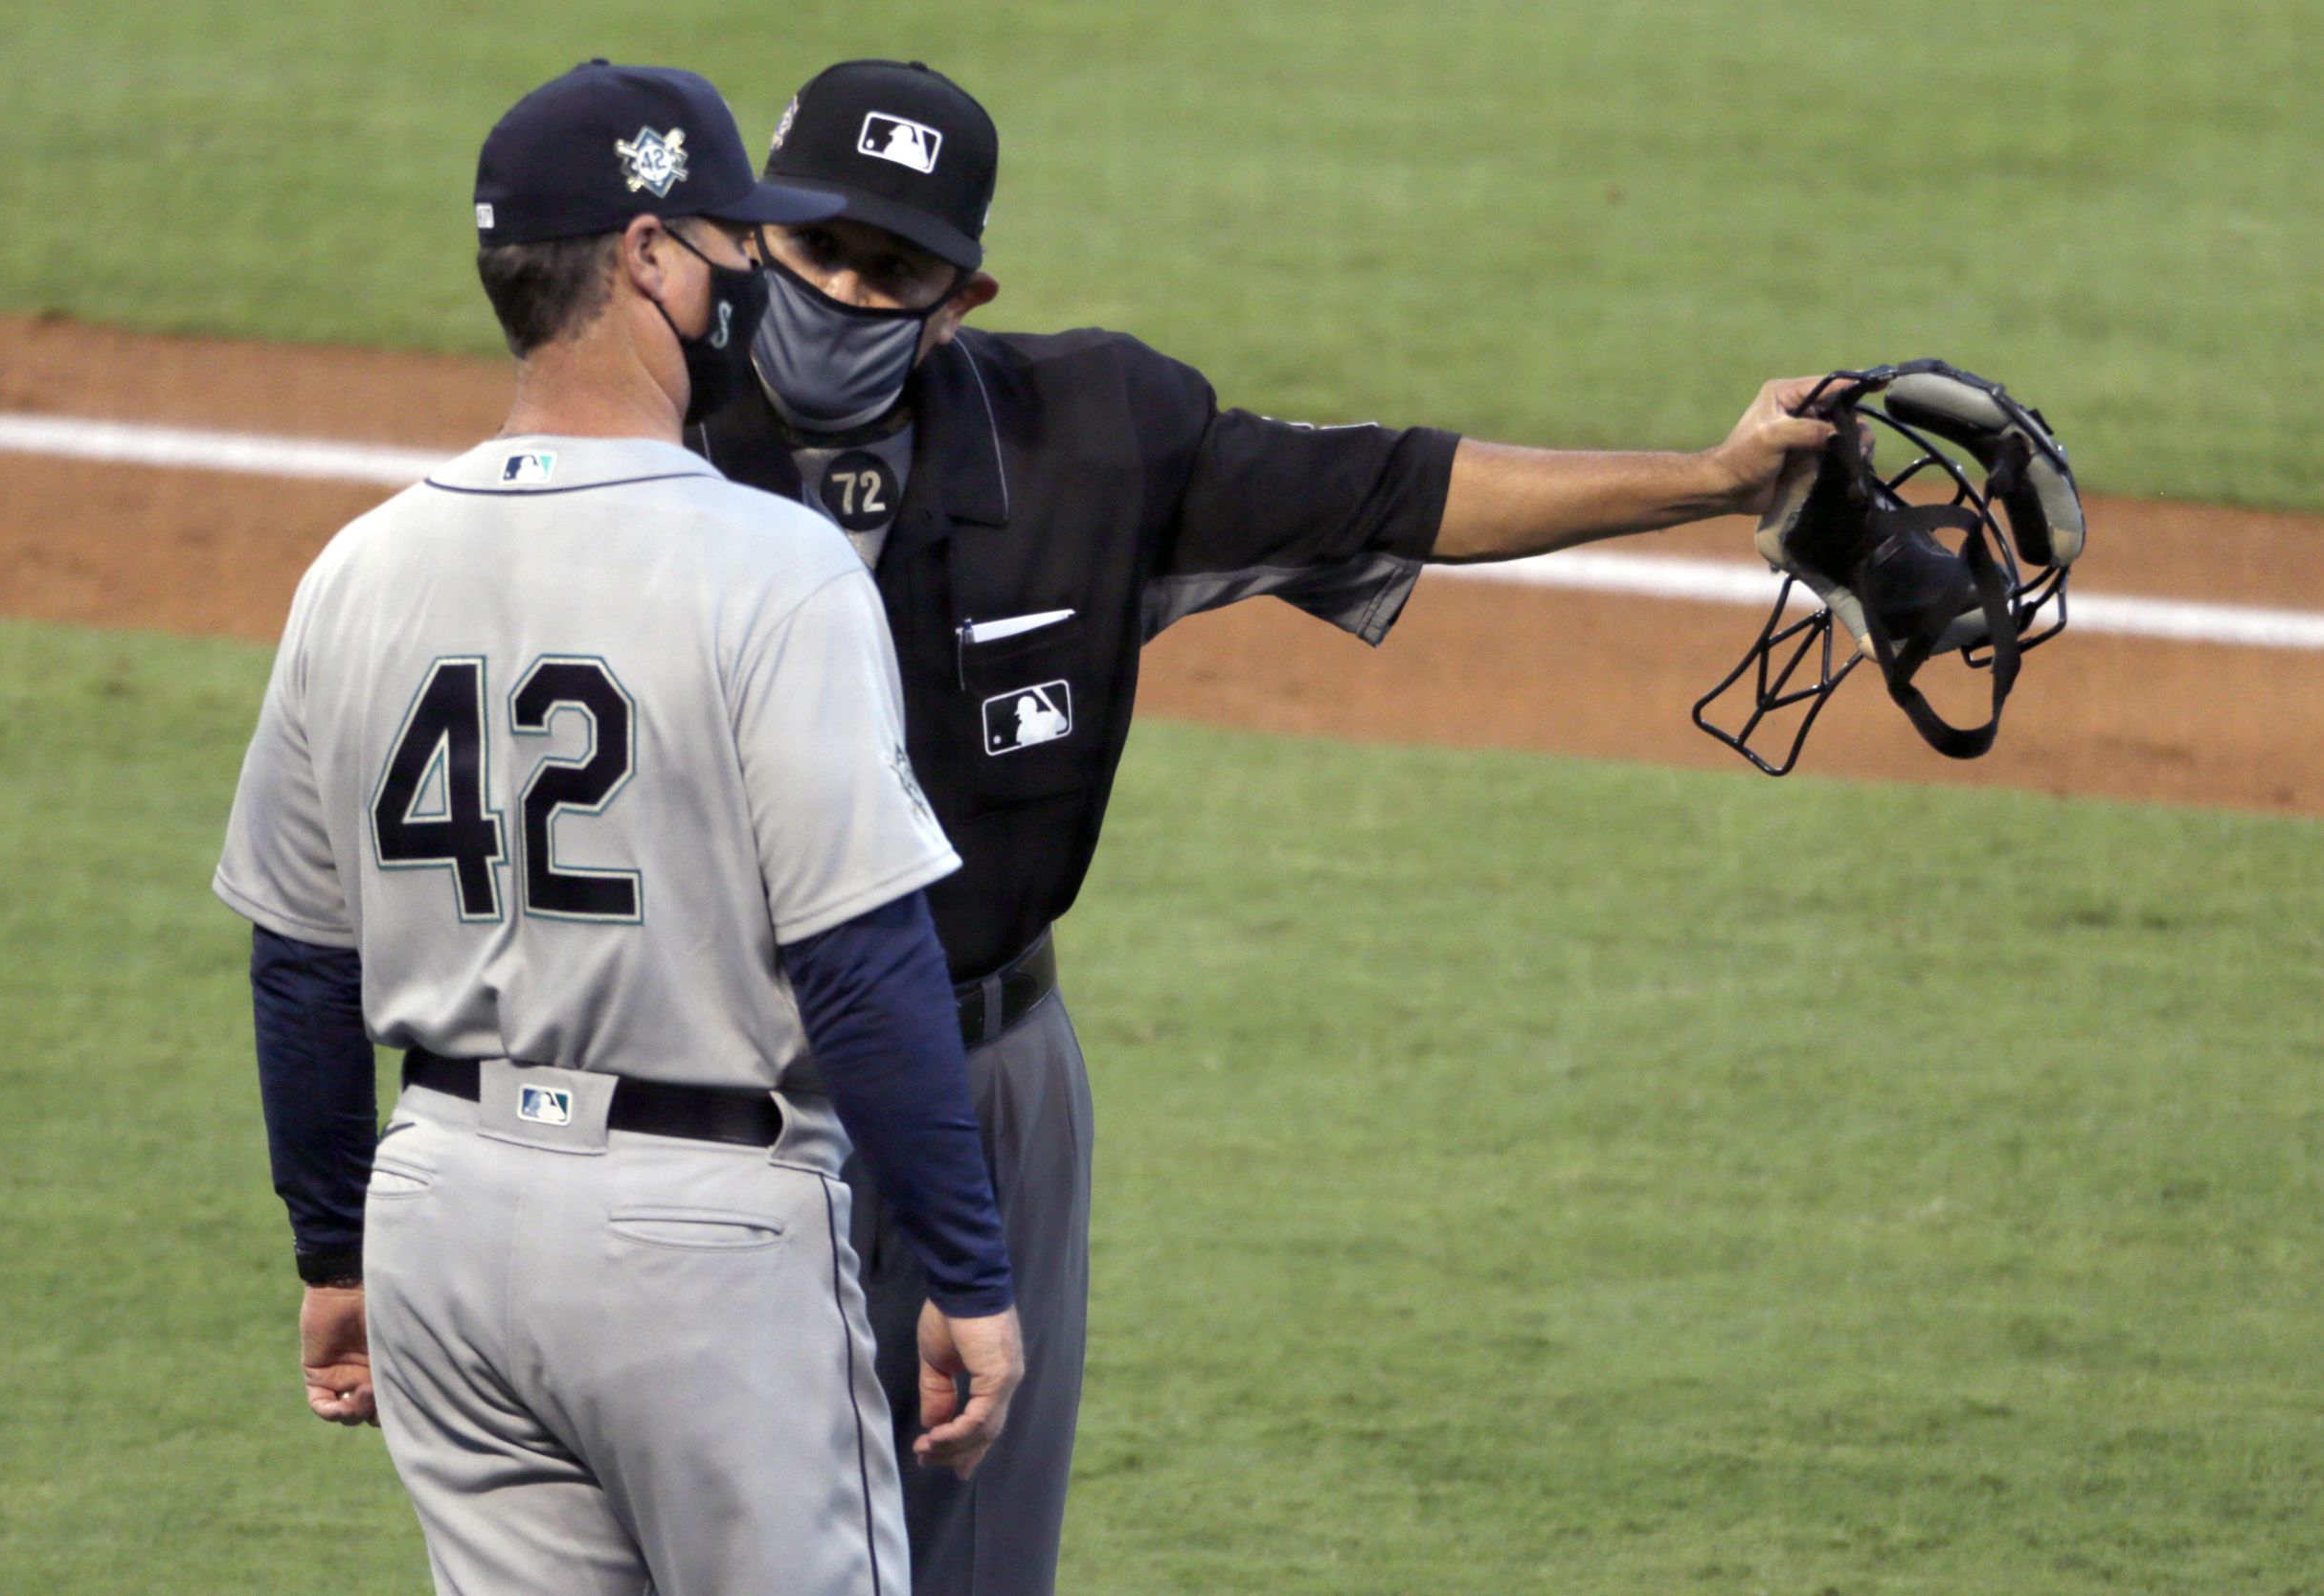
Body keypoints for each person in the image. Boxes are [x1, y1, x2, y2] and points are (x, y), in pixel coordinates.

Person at [688, 57, 1844, 1596]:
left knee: (971, 1558)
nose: (839, 288)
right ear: (748, 236)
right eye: (813, 246)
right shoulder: (644, 442)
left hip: (990, 1073)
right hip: (721, 1075)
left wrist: (1709, 482)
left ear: (962, 296)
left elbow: (1395, 489)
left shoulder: (1090, 441)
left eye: (888, 268)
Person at [214, 59, 1025, 1595]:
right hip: (701, 1242)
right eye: (731, 247)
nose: (747, 290)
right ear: (649, 257)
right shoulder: (773, 568)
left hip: (441, 1217)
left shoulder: (358, 568)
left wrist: (335, 1248)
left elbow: (302, 967)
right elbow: (862, 961)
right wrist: (969, 1271)